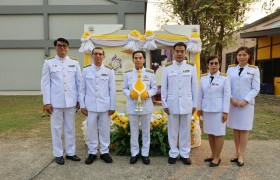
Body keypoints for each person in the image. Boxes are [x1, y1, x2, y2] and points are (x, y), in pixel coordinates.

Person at [41, 38, 82, 165]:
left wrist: (79, 100)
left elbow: (79, 83)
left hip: (71, 102)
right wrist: (46, 102)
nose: (62, 48)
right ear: (55, 48)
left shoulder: (74, 63)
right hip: (56, 103)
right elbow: (45, 83)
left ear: (68, 48)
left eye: (64, 46)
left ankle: (70, 152)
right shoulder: (49, 63)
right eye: (59, 46)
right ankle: (58, 154)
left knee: (70, 128)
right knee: (56, 129)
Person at [161, 42, 198, 165]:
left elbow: (194, 87)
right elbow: (164, 87)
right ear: (173, 52)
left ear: (185, 52)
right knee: (172, 130)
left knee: (185, 130)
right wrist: (164, 104)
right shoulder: (167, 67)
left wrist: (195, 104)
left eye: (182, 51)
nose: (179, 53)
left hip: (187, 103)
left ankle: (184, 154)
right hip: (172, 104)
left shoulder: (192, 67)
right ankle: (173, 153)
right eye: (177, 51)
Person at [79, 47, 116, 164]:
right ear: (92, 56)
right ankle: (92, 152)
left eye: (100, 54)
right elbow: (82, 89)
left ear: (103, 57)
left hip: (105, 106)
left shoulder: (109, 71)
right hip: (90, 107)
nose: (98, 56)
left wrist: (112, 106)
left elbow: (112, 90)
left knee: (105, 130)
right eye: (95, 54)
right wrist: (82, 105)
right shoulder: (86, 70)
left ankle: (105, 152)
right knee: (91, 130)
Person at [226, 46, 260, 166]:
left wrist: (245, 100)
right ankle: (236, 152)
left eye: (244, 55)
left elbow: (256, 88)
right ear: (236, 56)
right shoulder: (230, 70)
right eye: (239, 55)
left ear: (249, 56)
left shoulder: (254, 70)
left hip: (246, 105)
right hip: (233, 103)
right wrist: (231, 98)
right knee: (236, 129)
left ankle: (241, 155)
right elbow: (227, 86)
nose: (241, 57)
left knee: (244, 129)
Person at [123, 51, 157, 165]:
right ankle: (134, 153)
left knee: (146, 131)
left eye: (140, 58)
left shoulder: (150, 73)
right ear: (133, 60)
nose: (138, 60)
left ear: (144, 60)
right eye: (136, 58)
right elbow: (124, 88)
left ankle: (145, 154)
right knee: (134, 131)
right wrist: (129, 94)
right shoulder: (128, 74)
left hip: (146, 106)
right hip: (133, 106)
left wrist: (148, 94)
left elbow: (155, 88)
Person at [197, 55, 231, 167]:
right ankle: (212, 154)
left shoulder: (224, 78)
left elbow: (227, 96)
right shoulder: (203, 78)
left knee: (219, 134)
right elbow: (200, 94)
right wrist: (199, 108)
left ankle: (217, 157)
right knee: (210, 133)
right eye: (211, 63)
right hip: (207, 110)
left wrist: (226, 112)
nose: (214, 65)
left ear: (219, 65)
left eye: (216, 63)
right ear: (207, 65)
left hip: (219, 111)